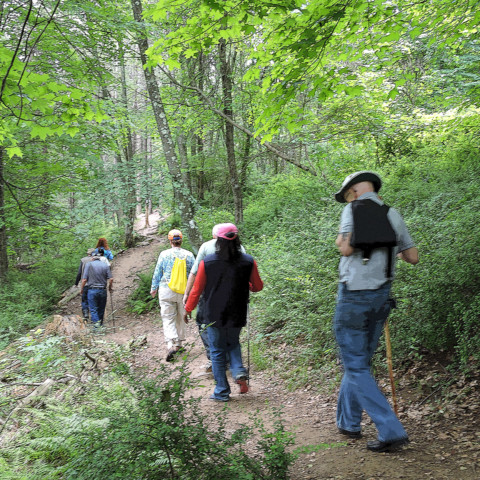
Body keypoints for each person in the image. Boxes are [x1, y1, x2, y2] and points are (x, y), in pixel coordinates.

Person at [333, 171, 419, 453]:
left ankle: (390, 429)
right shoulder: (392, 213)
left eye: (348, 194)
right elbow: (413, 257)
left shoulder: (352, 209)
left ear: (355, 192)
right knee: (359, 364)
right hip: (381, 297)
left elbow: (346, 249)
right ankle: (349, 423)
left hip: (353, 298)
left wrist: (341, 241)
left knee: (355, 366)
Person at [184, 223, 263, 402]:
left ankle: (222, 391)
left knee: (217, 350)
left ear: (218, 241)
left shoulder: (208, 262)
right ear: (237, 240)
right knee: (233, 343)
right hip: (238, 310)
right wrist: (247, 284)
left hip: (213, 313)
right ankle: (239, 371)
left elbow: (197, 289)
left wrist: (188, 308)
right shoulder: (248, 261)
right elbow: (258, 286)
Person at [183, 223, 246, 371]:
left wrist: (187, 295)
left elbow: (195, 273)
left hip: (210, 296)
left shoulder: (206, 247)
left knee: (204, 324)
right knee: (231, 332)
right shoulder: (240, 248)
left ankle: (215, 360)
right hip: (235, 297)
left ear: (215, 236)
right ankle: (233, 364)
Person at [150, 229, 195, 362]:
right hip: (183, 291)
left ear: (170, 241)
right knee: (181, 317)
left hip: (166, 290)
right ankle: (179, 344)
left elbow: (157, 272)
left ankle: (170, 344)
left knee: (168, 318)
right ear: (181, 240)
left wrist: (153, 288)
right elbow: (194, 274)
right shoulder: (189, 255)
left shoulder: (164, 254)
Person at [80, 248, 113, 329]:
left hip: (92, 290)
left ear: (93, 257)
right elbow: (111, 279)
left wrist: (82, 289)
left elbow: (84, 279)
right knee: (101, 309)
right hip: (103, 290)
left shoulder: (89, 264)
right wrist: (109, 288)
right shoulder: (105, 265)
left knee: (93, 309)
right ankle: (100, 325)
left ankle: (97, 328)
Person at [75, 248, 95, 319]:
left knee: (84, 299)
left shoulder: (83, 260)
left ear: (88, 253)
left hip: (85, 283)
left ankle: (86, 313)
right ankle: (94, 317)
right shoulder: (97, 260)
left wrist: (76, 283)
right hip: (94, 284)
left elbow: (79, 273)